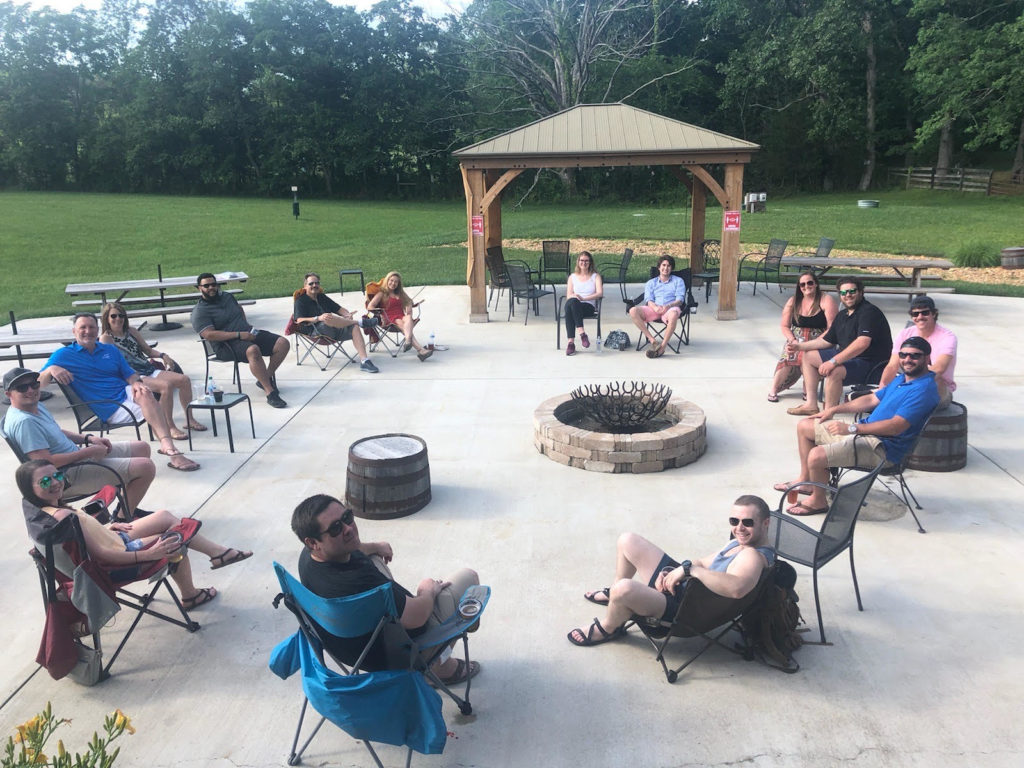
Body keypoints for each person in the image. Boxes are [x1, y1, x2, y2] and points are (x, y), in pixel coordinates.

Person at [291, 494, 480, 684]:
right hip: (396, 652)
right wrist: (427, 590)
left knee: (373, 557)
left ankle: (436, 656)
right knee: (469, 580)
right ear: (313, 542)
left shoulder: (308, 558)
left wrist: (376, 546)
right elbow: (418, 617)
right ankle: (438, 666)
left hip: (350, 648)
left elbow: (355, 549)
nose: (348, 528)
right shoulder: (362, 583)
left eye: (347, 517)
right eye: (335, 528)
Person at [18, 459, 252, 610]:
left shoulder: (42, 512)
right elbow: (104, 558)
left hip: (109, 543)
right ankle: (191, 594)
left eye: (57, 475)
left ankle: (218, 554)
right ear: (31, 490)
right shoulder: (63, 518)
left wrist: (104, 528)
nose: (55, 482)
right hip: (111, 566)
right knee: (176, 540)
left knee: (164, 516)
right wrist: (150, 554)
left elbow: (84, 539)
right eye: (45, 481)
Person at [568, 495, 774, 646]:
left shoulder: (752, 556)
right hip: (684, 589)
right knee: (627, 540)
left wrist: (690, 571)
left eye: (747, 522)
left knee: (624, 589)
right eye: (734, 521)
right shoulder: (739, 543)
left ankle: (609, 627)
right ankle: (615, 598)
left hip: (686, 609)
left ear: (765, 523)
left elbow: (736, 588)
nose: (739, 528)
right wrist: (676, 571)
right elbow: (702, 562)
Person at [775, 336, 940, 516]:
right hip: (865, 433)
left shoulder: (923, 390)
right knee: (805, 426)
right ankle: (808, 482)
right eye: (904, 355)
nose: (908, 359)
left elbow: (896, 427)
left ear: (928, 358)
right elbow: (871, 399)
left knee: (816, 456)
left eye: (915, 356)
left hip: (883, 448)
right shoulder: (903, 379)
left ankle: (818, 501)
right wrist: (833, 410)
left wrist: (852, 429)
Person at [38, 314, 200, 472]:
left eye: (92, 327)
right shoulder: (63, 355)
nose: (88, 331)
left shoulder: (109, 349)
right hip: (108, 406)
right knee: (154, 407)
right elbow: (39, 383)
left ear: (98, 329)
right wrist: (51, 369)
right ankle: (173, 453)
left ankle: (168, 448)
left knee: (145, 392)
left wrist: (136, 382)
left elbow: (129, 373)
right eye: (83, 327)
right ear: (74, 331)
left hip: (125, 392)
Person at [4, 367, 156, 516]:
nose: (30, 390)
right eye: (22, 388)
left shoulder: (33, 406)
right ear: (8, 394)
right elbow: (47, 462)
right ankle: (123, 518)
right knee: (145, 467)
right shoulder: (25, 423)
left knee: (141, 448)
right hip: (65, 476)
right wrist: (89, 451)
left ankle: (129, 505)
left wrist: (88, 438)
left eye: (34, 384)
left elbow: (55, 432)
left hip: (77, 457)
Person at [785, 277, 892, 415]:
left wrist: (833, 361)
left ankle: (827, 415)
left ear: (861, 292)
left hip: (871, 364)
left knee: (835, 371)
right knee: (809, 356)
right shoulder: (843, 315)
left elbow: (862, 343)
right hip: (851, 359)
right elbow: (827, 341)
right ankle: (811, 405)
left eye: (852, 291)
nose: (848, 295)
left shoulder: (869, 312)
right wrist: (799, 347)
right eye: (844, 293)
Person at [99, 302, 207, 438]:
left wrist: (163, 355)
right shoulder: (106, 339)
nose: (118, 319)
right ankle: (169, 426)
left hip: (148, 369)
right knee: (165, 387)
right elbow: (110, 365)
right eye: (113, 316)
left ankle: (190, 419)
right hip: (133, 376)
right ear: (107, 319)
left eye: (121, 315)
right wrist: (130, 374)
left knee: (184, 380)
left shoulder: (131, 331)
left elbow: (148, 350)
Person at [190, 273, 290, 408]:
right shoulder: (199, 311)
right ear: (199, 288)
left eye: (214, 284)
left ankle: (265, 377)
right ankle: (270, 392)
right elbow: (209, 335)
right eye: (206, 286)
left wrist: (245, 326)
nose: (211, 288)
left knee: (283, 343)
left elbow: (239, 309)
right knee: (253, 350)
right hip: (225, 346)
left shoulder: (227, 297)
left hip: (247, 334)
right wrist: (238, 334)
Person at [768, 272, 838, 402]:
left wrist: (817, 342)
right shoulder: (793, 301)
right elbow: (784, 326)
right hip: (796, 338)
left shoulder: (826, 300)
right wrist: (792, 340)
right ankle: (774, 388)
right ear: (799, 287)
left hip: (819, 340)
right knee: (787, 357)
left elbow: (832, 328)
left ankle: (808, 390)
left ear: (816, 284)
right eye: (802, 284)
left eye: (810, 283)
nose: (806, 286)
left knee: (810, 357)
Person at [292, 272, 380, 373]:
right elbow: (299, 320)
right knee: (327, 318)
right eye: (311, 283)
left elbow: (340, 309)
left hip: (334, 329)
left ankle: (365, 361)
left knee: (354, 327)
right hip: (315, 332)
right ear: (305, 286)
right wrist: (318, 318)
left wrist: (347, 315)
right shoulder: (300, 301)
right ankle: (361, 322)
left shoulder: (322, 297)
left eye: (317, 283)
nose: (314, 285)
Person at [878, 296, 956, 406]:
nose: (920, 317)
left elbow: (939, 369)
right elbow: (892, 366)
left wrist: (905, 387)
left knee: (935, 379)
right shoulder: (905, 334)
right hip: (908, 386)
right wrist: (882, 389)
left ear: (934, 314)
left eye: (925, 313)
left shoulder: (947, 337)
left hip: (937, 389)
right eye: (915, 314)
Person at [628, 255, 687, 358]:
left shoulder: (678, 281)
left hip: (671, 308)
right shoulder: (651, 283)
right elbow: (649, 299)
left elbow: (680, 300)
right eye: (663, 265)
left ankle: (662, 348)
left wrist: (668, 306)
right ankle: (653, 341)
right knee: (633, 310)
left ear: (672, 268)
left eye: (669, 266)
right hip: (654, 309)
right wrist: (655, 307)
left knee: (673, 314)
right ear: (659, 267)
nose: (666, 268)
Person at [366, 271, 432, 361]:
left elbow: (409, 301)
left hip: (401, 315)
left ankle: (408, 341)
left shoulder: (400, 293)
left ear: (398, 284)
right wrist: (379, 312)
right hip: (389, 318)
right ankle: (421, 350)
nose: (393, 283)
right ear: (387, 280)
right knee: (403, 324)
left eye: (396, 282)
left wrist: (409, 306)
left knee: (408, 318)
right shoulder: (382, 293)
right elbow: (370, 306)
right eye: (391, 280)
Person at [562, 251, 604, 356]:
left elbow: (599, 293)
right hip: (574, 305)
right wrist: (576, 297)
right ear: (578, 262)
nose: (583, 263)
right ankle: (582, 334)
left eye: (586, 261)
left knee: (570, 308)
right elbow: (568, 295)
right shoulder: (572, 277)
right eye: (581, 260)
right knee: (572, 303)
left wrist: (583, 298)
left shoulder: (595, 276)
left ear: (590, 263)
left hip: (588, 306)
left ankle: (571, 343)